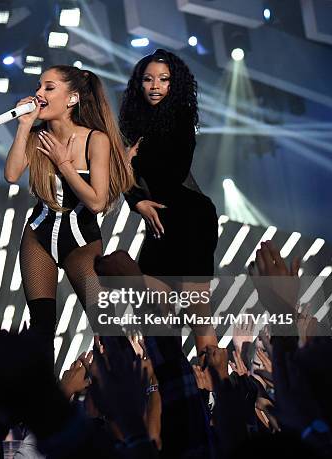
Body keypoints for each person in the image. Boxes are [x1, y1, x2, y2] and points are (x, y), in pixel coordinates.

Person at [4, 65, 134, 353]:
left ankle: (129, 390)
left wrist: (64, 164)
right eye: (39, 86)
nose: (38, 93)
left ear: (72, 99)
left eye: (49, 88)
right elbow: (12, 175)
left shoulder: (95, 139)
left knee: (107, 328)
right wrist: (25, 126)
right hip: (37, 236)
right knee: (41, 328)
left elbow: (97, 202)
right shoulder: (37, 136)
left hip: (81, 243)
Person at [119, 49, 219, 352]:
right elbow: (125, 179)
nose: (154, 86)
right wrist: (135, 199)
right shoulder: (133, 124)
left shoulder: (181, 116)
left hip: (190, 219)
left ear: (175, 85)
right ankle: (168, 389)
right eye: (148, 79)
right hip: (159, 223)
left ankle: (215, 390)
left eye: (163, 79)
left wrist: (129, 163)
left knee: (197, 316)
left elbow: (172, 173)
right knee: (154, 317)